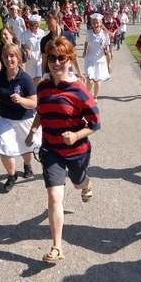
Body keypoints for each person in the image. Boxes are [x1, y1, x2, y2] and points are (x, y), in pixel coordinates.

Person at [26, 36, 100, 263]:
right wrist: (32, 131)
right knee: (54, 197)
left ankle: (86, 183)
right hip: (51, 152)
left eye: (61, 58)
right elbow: (42, 110)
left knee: (77, 183)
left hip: (77, 151)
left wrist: (76, 135)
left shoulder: (80, 91)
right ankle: (57, 247)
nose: (56, 63)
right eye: (51, 58)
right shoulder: (44, 87)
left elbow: (95, 124)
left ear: (69, 60)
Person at [0, 44, 40, 192]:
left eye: (12, 56)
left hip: (24, 119)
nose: (9, 59)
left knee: (26, 148)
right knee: (4, 147)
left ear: (18, 58)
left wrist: (21, 100)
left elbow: (34, 103)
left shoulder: (25, 79)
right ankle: (12, 175)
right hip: (4, 117)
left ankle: (27, 165)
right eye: (5, 56)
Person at [83, 13, 111, 101]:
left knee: (97, 80)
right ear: (91, 23)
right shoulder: (89, 33)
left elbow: (107, 48)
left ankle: (95, 97)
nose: (96, 24)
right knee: (89, 78)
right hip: (90, 59)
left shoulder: (105, 34)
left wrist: (109, 63)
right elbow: (86, 42)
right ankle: (88, 95)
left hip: (100, 60)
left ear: (101, 23)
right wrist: (84, 50)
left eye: (97, 22)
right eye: (94, 23)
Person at [21, 14, 45, 84]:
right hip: (30, 59)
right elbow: (22, 45)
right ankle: (33, 92)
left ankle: (37, 92)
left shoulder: (41, 32)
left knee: (39, 77)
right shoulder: (25, 34)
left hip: (39, 58)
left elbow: (43, 44)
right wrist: (27, 49)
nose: (33, 26)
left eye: (35, 24)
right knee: (31, 79)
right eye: (31, 24)